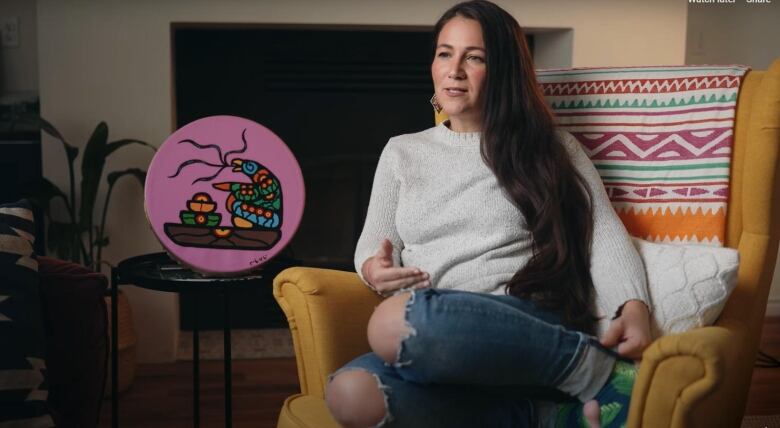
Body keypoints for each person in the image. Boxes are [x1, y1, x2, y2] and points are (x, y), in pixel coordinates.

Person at [325, 1, 652, 427]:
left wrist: (634, 304)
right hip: (436, 337)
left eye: (474, 57)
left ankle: (594, 370)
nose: (454, 69)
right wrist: (374, 268)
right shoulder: (402, 151)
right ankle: (537, 417)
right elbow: (373, 243)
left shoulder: (551, 148)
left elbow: (604, 236)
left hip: (522, 325)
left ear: (504, 72)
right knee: (350, 393)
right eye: (445, 53)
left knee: (392, 322)